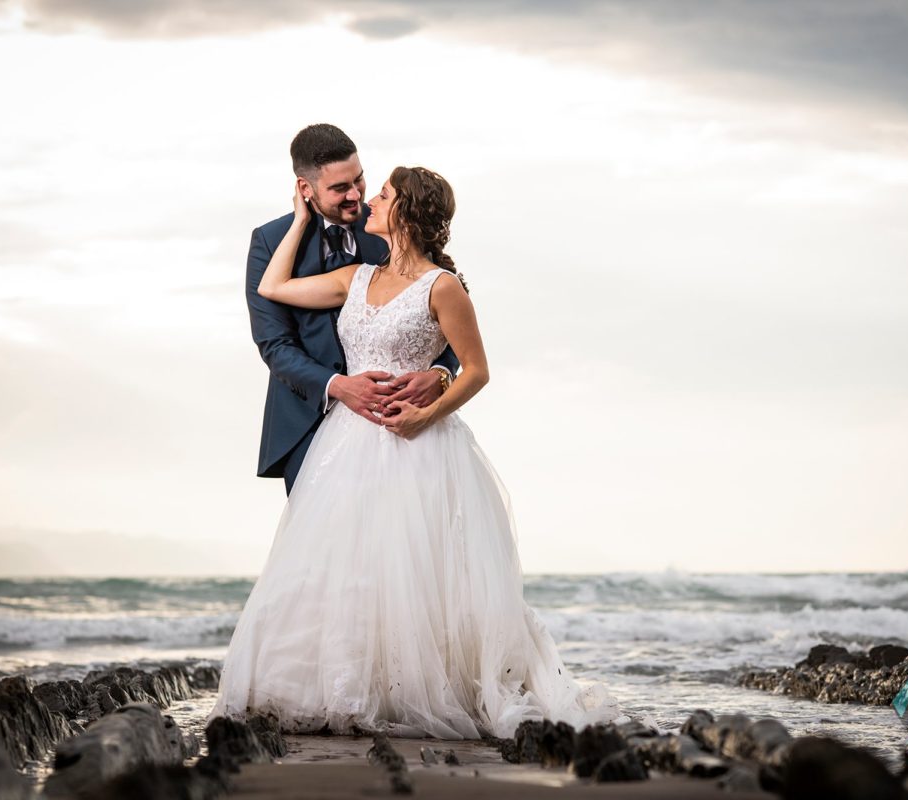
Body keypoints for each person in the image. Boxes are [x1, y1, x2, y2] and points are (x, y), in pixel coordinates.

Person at [208, 164, 624, 739]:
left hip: (422, 446)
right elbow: (272, 288)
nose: (371, 198)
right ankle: (351, 685)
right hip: (348, 443)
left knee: (418, 570)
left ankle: (425, 688)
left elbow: (475, 370)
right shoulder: (354, 277)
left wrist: (428, 410)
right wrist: (302, 217)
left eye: (383, 194)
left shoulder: (443, 286)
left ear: (405, 213)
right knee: (349, 569)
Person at [245, 123, 460, 491]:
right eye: (339, 188)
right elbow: (275, 345)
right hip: (310, 423)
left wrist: (440, 374)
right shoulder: (270, 243)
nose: (356, 196)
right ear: (305, 188)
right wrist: (339, 385)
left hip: (400, 424)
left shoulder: (391, 224)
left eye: (359, 180)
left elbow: (446, 314)